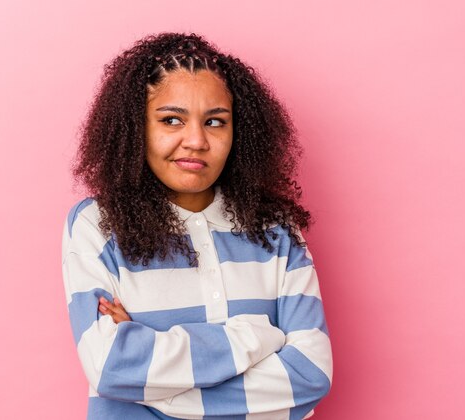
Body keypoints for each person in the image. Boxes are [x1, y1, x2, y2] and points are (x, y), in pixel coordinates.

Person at [61, 32, 333, 420]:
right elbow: (109, 367)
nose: (196, 140)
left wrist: (152, 388)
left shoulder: (277, 231)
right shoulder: (97, 225)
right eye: (171, 120)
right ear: (136, 128)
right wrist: (256, 336)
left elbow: (310, 376)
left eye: (215, 122)